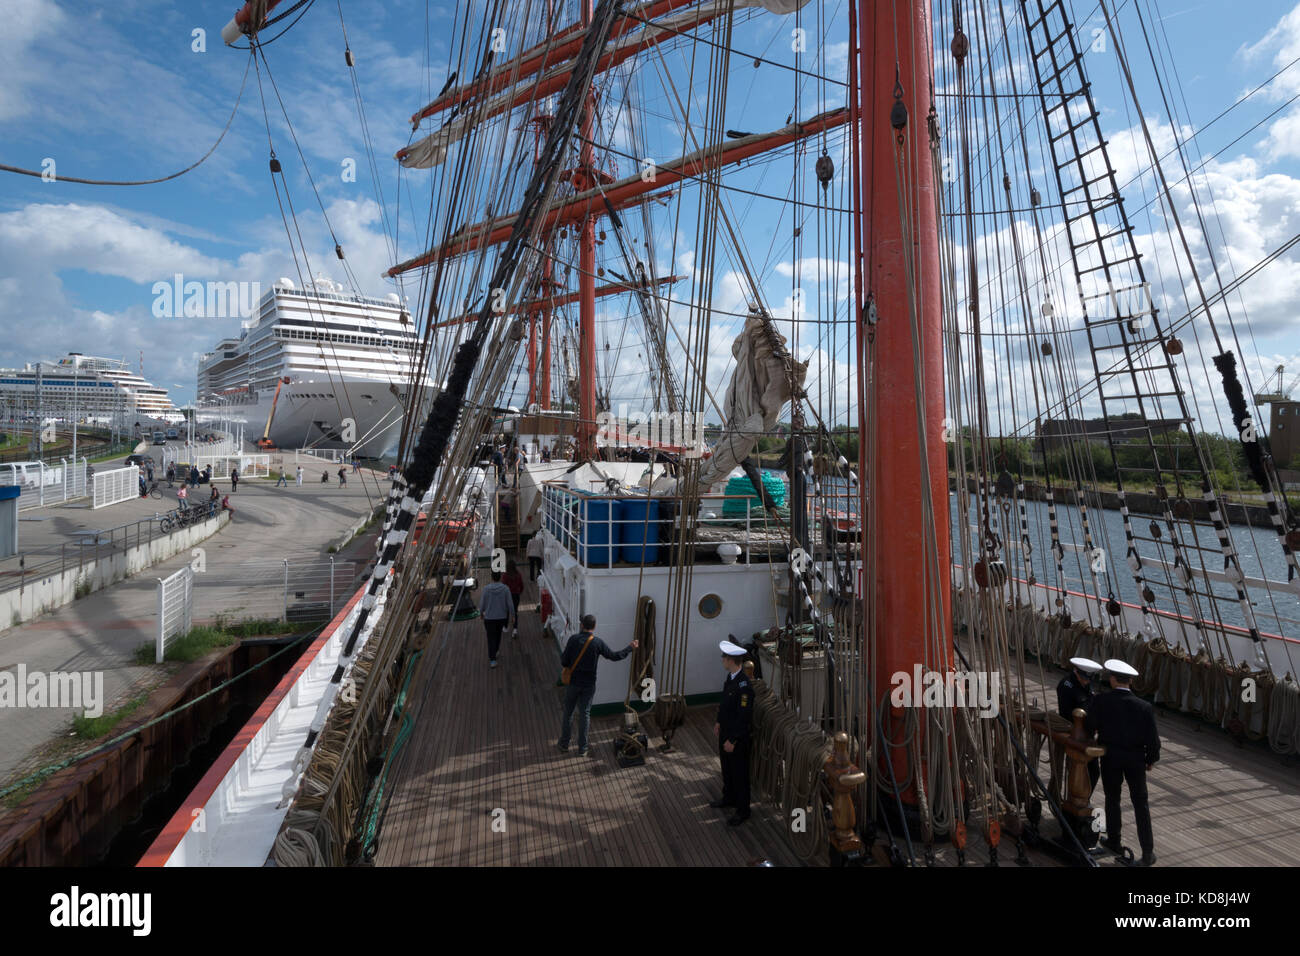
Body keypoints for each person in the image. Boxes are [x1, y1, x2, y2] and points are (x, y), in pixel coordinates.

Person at [1086, 658, 1160, 867]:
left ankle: (1114, 841)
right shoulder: (1144, 707)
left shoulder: (1101, 701)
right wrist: (1150, 760)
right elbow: (1153, 740)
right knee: (1140, 805)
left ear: (1112, 679)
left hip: (1111, 757)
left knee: (1112, 799)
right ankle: (1147, 853)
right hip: (1136, 760)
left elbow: (1091, 725)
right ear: (1130, 682)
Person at [556, 614, 637, 756]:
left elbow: (564, 662)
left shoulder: (573, 639)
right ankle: (583, 748)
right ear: (594, 627)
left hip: (573, 683)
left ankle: (564, 744)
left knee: (568, 713)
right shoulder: (597, 643)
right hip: (588, 685)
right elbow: (614, 656)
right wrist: (630, 648)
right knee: (585, 714)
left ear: (582, 625)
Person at [712, 639, 754, 826]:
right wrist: (719, 722)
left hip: (736, 737)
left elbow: (743, 716)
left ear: (731, 660)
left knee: (739, 773)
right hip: (726, 732)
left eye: (724, 657)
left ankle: (743, 810)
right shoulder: (731, 679)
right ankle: (728, 797)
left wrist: (733, 740)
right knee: (727, 768)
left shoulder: (744, 686)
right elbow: (725, 705)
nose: (721, 659)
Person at [1058, 656, 1102, 791]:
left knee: (1093, 772)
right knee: (1078, 770)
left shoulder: (1085, 685)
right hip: (1074, 733)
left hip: (1087, 734)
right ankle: (1074, 804)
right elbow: (1068, 712)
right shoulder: (1067, 685)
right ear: (1076, 671)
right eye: (1083, 678)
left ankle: (1083, 801)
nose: (1086, 681)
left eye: (1088, 679)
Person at [478, 571, 513, 669]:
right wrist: (513, 615)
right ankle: (496, 650)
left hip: (489, 618)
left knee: (490, 637)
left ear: (492, 577)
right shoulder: (505, 589)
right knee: (498, 635)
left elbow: (482, 603)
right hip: (501, 617)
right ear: (500, 577)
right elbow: (510, 604)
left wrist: (481, 613)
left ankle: (492, 659)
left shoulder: (486, 589)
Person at [502, 561, 524, 637]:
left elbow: (503, 586)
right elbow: (521, 585)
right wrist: (519, 592)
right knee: (514, 612)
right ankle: (515, 629)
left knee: (506, 611)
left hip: (507, 596)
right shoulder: (518, 575)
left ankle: (505, 626)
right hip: (515, 595)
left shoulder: (505, 575)